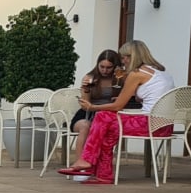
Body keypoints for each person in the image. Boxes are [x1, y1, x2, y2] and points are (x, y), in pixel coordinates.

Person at [59, 40, 176, 184]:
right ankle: (103, 175)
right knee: (108, 131)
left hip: (150, 125)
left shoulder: (137, 74)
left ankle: (86, 160)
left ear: (131, 56)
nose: (122, 61)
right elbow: (149, 97)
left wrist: (92, 107)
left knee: (102, 116)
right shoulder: (160, 71)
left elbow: (117, 106)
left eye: (124, 57)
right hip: (165, 126)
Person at [70, 49, 123, 155]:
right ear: (97, 64)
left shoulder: (120, 79)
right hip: (87, 114)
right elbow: (85, 105)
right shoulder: (90, 78)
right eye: (102, 67)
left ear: (115, 67)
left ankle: (96, 160)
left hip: (109, 114)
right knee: (85, 126)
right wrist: (86, 89)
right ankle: (79, 161)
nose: (105, 70)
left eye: (109, 67)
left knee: (105, 128)